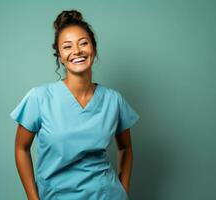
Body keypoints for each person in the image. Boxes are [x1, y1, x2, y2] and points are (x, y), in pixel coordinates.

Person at [10, 9, 140, 200]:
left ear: (93, 49)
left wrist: (123, 189)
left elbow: (126, 148)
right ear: (60, 56)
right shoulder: (39, 98)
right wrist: (33, 198)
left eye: (83, 43)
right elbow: (21, 148)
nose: (77, 51)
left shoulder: (113, 100)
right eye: (67, 46)